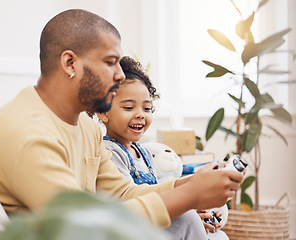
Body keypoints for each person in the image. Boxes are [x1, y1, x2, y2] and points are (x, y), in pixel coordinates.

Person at [0, 9, 243, 232]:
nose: (121, 75)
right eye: (110, 62)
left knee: (184, 219)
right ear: (70, 64)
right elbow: (82, 226)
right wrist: (190, 196)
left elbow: (121, 193)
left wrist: (188, 184)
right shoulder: (26, 134)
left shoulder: (86, 126)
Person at [95, 56, 228, 240]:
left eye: (147, 108)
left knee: (216, 214)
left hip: (154, 222)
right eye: (128, 107)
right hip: (132, 229)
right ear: (103, 112)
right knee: (188, 219)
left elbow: (162, 198)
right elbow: (129, 204)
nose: (140, 115)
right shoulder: (110, 151)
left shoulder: (145, 153)